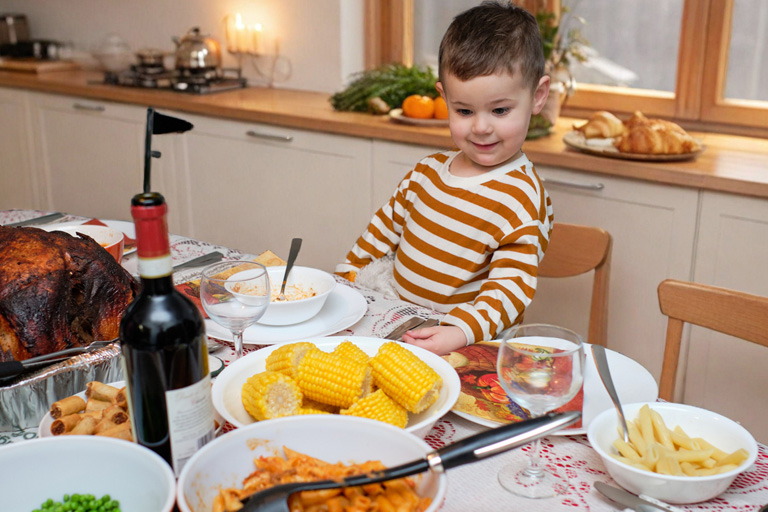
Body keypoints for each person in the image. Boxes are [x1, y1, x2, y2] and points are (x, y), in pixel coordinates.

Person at [336, 1, 553, 355]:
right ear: (444, 98)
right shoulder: (427, 171)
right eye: (464, 110)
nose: (481, 127)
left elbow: (509, 290)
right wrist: (346, 275)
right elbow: (381, 230)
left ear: (538, 96)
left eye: (500, 110)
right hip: (397, 323)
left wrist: (459, 332)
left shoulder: (522, 197)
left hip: (461, 342)